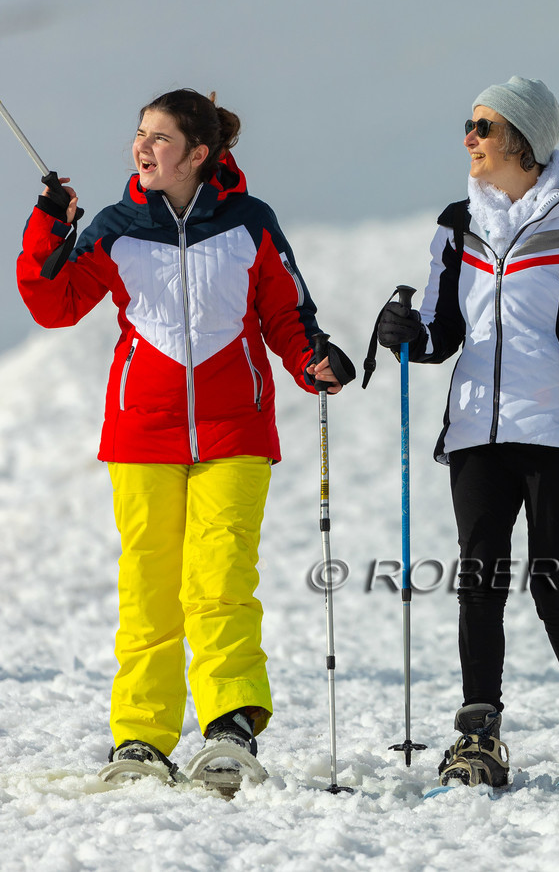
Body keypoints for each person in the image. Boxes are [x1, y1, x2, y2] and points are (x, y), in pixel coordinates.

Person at [16, 89, 354, 788]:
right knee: (148, 590)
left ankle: (230, 725)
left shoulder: (249, 223)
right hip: (142, 436)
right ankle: (140, 737)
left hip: (235, 432)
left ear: (199, 156)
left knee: (221, 582)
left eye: (159, 138)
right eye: (139, 134)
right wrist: (52, 225)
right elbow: (54, 302)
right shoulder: (113, 227)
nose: (142, 148)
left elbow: (286, 314)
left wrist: (312, 357)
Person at [373, 76, 559, 788]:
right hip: (475, 429)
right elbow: (440, 329)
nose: (470, 137)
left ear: (523, 139)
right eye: (469, 125)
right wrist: (405, 333)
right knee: (478, 581)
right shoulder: (457, 221)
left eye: (483, 127)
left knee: (553, 578)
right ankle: (478, 737)